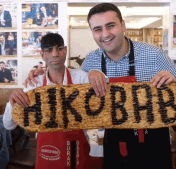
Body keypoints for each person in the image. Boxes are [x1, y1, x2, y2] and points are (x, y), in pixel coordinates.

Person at [24, 3, 176, 169]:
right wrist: (43, 73)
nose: (105, 34)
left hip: (154, 143)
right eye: (98, 29)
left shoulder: (153, 54)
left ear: (123, 25)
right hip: (113, 143)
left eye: (110, 26)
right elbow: (69, 88)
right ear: (93, 33)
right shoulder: (91, 61)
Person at [3, 33, 107, 169]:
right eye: (48, 50)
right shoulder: (34, 84)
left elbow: (108, 96)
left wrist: (97, 73)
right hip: (47, 153)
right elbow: (8, 125)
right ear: (42, 55)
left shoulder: (82, 79)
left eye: (59, 48)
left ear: (65, 50)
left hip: (78, 152)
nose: (55, 54)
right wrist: (13, 101)